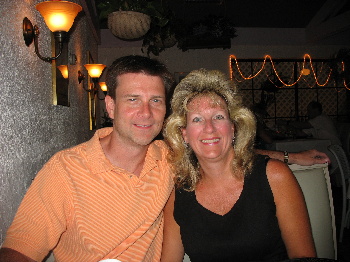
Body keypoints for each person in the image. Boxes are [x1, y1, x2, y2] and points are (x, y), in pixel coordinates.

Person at [0, 56, 328, 262]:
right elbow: (20, 248)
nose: (146, 112)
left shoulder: (167, 159)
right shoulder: (65, 169)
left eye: (156, 100)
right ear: (110, 107)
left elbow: (217, 150)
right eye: (133, 99)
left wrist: (289, 156)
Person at [161, 69, 317, 261]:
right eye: (197, 119)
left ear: (233, 127)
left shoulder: (274, 176)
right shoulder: (178, 194)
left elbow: (304, 258)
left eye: (218, 117)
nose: (209, 128)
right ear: (184, 134)